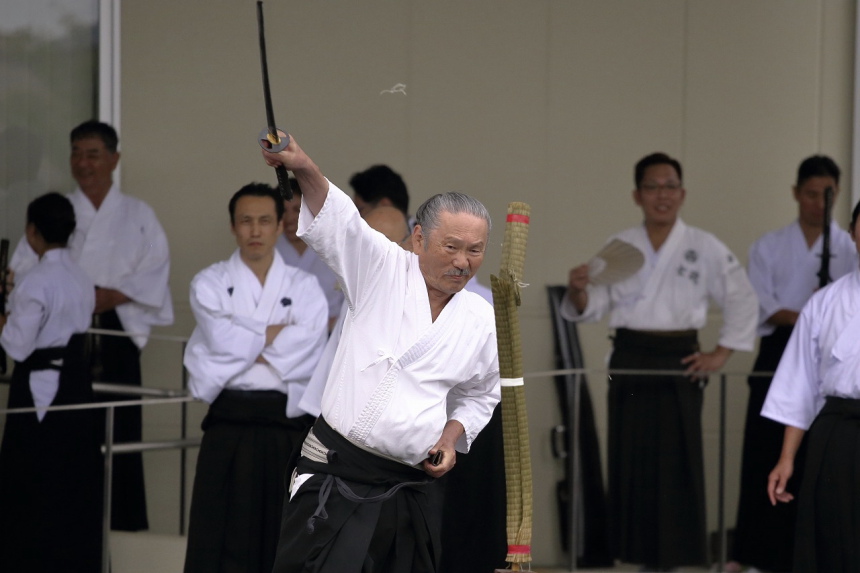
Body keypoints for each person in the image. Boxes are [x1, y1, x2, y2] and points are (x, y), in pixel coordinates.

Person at [261, 133, 500, 573]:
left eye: (475, 250)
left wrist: (450, 439)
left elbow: (481, 393)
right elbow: (340, 220)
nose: (462, 262)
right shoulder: (379, 267)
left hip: (410, 487)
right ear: (419, 238)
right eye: (451, 247)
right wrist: (302, 165)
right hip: (337, 473)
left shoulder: (480, 318)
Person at [562, 152, 758, 571]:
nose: (662, 195)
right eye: (652, 187)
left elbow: (742, 298)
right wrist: (578, 289)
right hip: (630, 358)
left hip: (679, 359)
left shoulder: (704, 246)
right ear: (637, 195)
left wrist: (720, 353)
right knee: (631, 460)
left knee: (677, 463)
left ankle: (673, 560)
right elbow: (592, 304)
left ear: (682, 194)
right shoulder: (621, 246)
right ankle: (635, 556)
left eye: (670, 187)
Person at [9, 120, 173, 531]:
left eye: (93, 154)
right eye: (76, 153)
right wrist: (73, 295)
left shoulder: (138, 214)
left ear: (114, 159)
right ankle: (55, 528)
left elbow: (155, 269)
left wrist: (113, 295)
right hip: (60, 341)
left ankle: (121, 528)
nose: (83, 163)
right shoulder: (55, 212)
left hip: (115, 334)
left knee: (120, 434)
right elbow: (24, 270)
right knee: (62, 439)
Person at [182, 182, 328, 573]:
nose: (255, 230)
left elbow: (307, 348)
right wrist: (276, 333)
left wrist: (239, 343)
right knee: (218, 530)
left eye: (265, 220)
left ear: (281, 225)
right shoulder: (209, 282)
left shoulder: (305, 287)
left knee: (282, 531)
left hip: (286, 423)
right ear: (233, 226)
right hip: (228, 419)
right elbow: (218, 339)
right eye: (245, 221)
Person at [730, 155, 857, 572]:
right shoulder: (771, 248)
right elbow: (764, 305)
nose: (819, 203)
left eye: (827, 194)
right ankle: (757, 555)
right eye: (811, 194)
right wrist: (810, 314)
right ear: (796, 193)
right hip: (787, 352)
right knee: (774, 459)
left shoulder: (843, 247)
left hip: (829, 362)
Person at [0, 192, 101, 572]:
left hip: (39, 392)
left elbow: (17, 345)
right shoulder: (81, 277)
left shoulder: (35, 281)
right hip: (76, 387)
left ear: (32, 232)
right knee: (71, 481)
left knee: (31, 482)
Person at [764, 199, 860, 573]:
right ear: (852, 235)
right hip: (838, 431)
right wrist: (786, 458)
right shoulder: (825, 302)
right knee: (835, 536)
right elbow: (800, 386)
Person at [276, 177, 344, 331]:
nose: (289, 218)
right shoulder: (270, 251)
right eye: (283, 211)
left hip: (334, 332)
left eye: (297, 210)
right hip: (281, 335)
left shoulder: (333, 247)